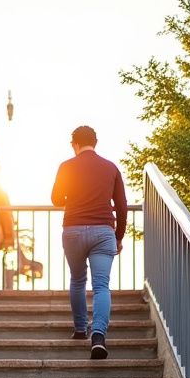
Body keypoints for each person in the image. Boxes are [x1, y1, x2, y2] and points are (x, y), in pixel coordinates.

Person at [50, 125, 127, 360]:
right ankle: (98, 337)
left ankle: (80, 329)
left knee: (77, 280)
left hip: (72, 230)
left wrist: (71, 195)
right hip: (103, 231)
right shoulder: (110, 167)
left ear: (74, 144)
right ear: (96, 142)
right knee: (101, 285)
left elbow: (55, 199)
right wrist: (119, 236)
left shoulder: (66, 166)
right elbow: (122, 205)